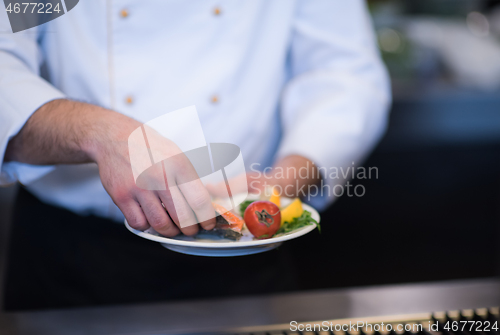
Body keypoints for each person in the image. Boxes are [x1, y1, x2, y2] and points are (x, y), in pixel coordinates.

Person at [0, 0, 390, 310]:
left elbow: (341, 72)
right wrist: (101, 135)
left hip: (245, 252)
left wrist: (273, 191)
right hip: (72, 260)